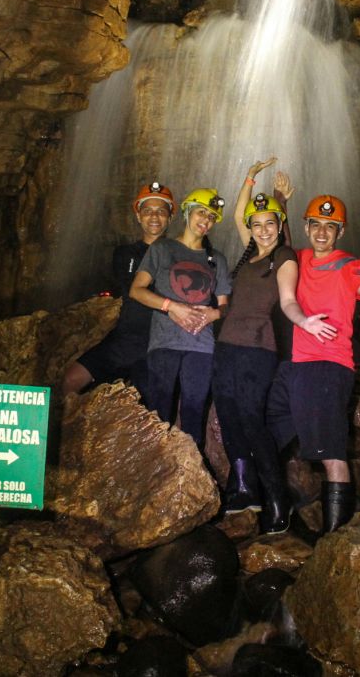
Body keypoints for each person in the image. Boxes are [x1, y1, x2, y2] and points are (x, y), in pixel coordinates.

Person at [261, 194, 360, 534]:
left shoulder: (348, 264)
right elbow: (279, 241)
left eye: (330, 227)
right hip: (295, 366)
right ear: (306, 227)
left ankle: (336, 538)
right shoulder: (299, 258)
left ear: (340, 231)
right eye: (316, 225)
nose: (322, 233)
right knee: (266, 429)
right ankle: (277, 508)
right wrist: (280, 203)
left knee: (331, 452)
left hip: (328, 365)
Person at [211, 158, 297, 518]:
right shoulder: (249, 255)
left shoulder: (284, 256)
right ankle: (245, 487)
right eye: (257, 224)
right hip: (227, 346)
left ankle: (277, 497)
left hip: (258, 349)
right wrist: (249, 176)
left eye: (270, 224)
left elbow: (289, 298)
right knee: (228, 415)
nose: (263, 230)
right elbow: (236, 217)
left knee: (251, 417)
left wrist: (304, 321)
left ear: (280, 226)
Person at [129, 187, 232, 450]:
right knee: (159, 406)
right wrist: (171, 306)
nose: (205, 221)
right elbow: (137, 290)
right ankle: (156, 467)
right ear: (187, 212)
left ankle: (190, 473)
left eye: (211, 217)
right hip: (164, 341)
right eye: (201, 213)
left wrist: (213, 314)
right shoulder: (162, 248)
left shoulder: (216, 259)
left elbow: (225, 306)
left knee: (194, 408)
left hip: (201, 345)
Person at [62, 181, 174, 395]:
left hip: (161, 340)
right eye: (147, 211)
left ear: (170, 218)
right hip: (126, 337)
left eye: (161, 212)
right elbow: (132, 288)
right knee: (71, 379)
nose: (154, 217)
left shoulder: (179, 255)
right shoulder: (125, 253)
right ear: (138, 216)